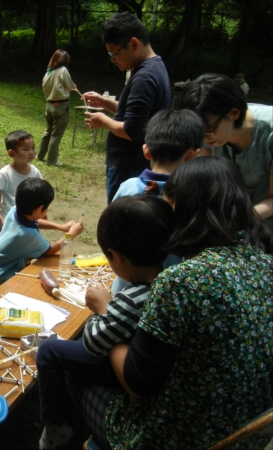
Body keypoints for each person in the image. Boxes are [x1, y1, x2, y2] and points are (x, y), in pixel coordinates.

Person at [63, 156, 273, 449]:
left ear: (187, 214)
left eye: (169, 213)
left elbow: (138, 383)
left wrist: (106, 311)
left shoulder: (182, 281)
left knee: (75, 370)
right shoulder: (266, 264)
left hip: (179, 439)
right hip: (246, 434)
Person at [36, 195, 173, 450]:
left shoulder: (134, 297)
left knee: (48, 351)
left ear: (115, 256)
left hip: (123, 374)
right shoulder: (168, 284)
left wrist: (102, 307)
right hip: (143, 371)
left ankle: (55, 427)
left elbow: (94, 340)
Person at [109, 109, 203, 294]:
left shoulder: (128, 187)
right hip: (170, 295)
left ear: (146, 151)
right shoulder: (194, 196)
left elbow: (111, 235)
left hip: (124, 289)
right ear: (192, 154)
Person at [81, 12, 171, 204]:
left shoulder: (143, 78)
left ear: (134, 44)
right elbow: (138, 114)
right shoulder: (155, 67)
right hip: (136, 162)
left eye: (115, 53)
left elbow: (131, 129)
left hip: (129, 164)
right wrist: (105, 103)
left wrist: (103, 121)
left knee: (121, 219)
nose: (112, 59)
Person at [178, 73, 273, 228]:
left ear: (234, 113)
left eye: (208, 130)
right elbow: (200, 179)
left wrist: (233, 225)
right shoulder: (209, 134)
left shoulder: (269, 131)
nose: (203, 139)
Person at [0, 178, 83, 289]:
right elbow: (50, 251)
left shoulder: (15, 210)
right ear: (39, 209)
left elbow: (35, 221)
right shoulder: (26, 234)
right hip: (1, 271)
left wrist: (60, 227)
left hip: (0, 261)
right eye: (47, 208)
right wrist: (71, 234)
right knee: (33, 287)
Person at [0, 130, 76, 235]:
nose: (32, 152)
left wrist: (43, 211)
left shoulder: (35, 172)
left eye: (33, 148)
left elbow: (41, 193)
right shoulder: (5, 173)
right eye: (26, 149)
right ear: (11, 153)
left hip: (29, 217)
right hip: (8, 219)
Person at [37, 49, 77, 166]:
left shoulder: (48, 72)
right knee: (56, 134)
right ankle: (51, 161)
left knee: (48, 131)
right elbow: (70, 87)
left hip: (49, 105)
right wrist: (73, 86)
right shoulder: (62, 70)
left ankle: (39, 155)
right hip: (60, 106)